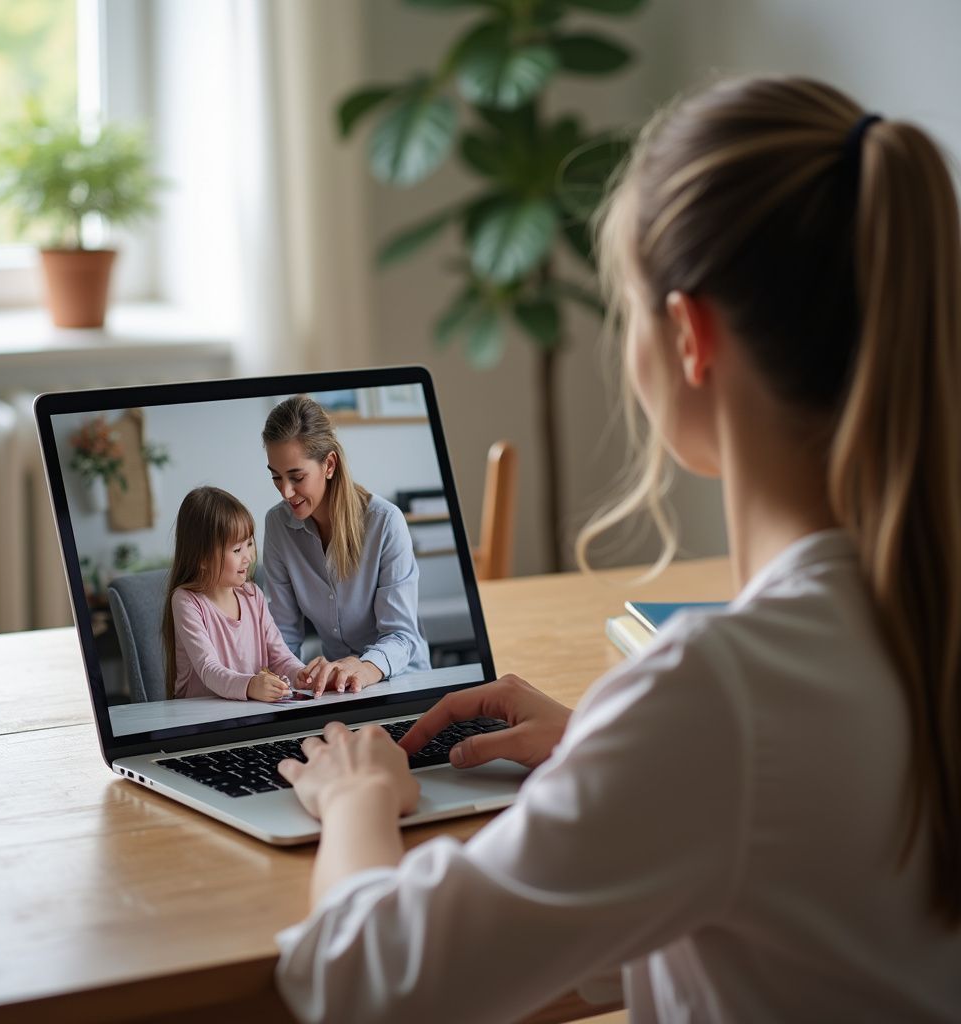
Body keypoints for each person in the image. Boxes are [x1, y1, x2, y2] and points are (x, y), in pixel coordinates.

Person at [270, 76, 961, 1022]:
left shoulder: (724, 694)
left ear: (689, 337)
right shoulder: (909, 625)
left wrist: (354, 796)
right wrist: (611, 755)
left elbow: (363, 987)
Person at [260, 394, 431, 698]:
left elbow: (402, 636)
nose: (285, 491)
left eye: (297, 477)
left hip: (402, 682)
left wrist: (362, 667)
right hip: (338, 690)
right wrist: (290, 679)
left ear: (329, 464)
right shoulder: (278, 526)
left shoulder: (385, 522)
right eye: (276, 477)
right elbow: (284, 635)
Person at [162, 486, 305, 702]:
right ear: (201, 558)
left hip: (247, 714)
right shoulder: (186, 601)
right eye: (237, 550)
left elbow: (280, 655)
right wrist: (250, 685)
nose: (247, 557)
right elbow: (209, 668)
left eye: (249, 544)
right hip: (200, 722)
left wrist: (302, 673)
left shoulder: (252, 595)